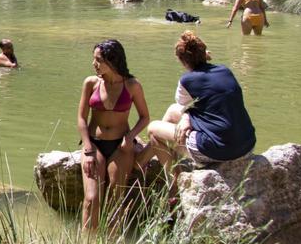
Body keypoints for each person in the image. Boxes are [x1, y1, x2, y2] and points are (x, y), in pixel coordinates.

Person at [138, 32, 256, 176]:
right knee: (172, 110)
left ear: (182, 60)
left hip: (220, 149)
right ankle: (141, 161)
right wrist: (187, 116)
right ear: (204, 53)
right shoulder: (225, 71)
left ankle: (174, 184)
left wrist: (187, 116)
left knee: (153, 130)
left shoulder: (187, 80)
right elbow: (185, 107)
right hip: (247, 144)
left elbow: (183, 102)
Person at [76, 39, 151, 230]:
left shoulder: (133, 85)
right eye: (94, 59)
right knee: (92, 199)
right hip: (94, 144)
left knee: (114, 201)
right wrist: (88, 149)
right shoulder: (91, 83)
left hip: (121, 146)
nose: (94, 64)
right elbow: (82, 119)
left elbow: (144, 117)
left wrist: (130, 136)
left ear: (112, 61)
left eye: (98, 60)